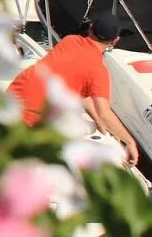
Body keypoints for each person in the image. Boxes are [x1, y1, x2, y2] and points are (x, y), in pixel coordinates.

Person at [7, 12, 138, 165]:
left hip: (10, 100)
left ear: (90, 28)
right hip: (31, 123)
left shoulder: (69, 41)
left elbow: (81, 90)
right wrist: (129, 141)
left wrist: (97, 118)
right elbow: (104, 114)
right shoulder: (98, 71)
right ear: (115, 40)